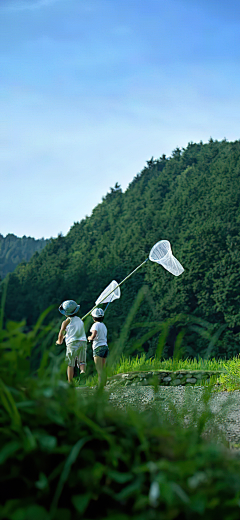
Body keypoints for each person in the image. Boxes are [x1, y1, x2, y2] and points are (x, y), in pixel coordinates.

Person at [56, 300, 87, 383]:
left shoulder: (65, 322)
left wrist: (59, 341)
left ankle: (70, 381)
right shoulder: (80, 320)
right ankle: (82, 371)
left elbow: (61, 333)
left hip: (72, 343)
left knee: (70, 363)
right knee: (82, 360)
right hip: (82, 341)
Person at [88, 308, 108, 386]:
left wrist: (89, 338)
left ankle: (100, 386)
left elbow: (94, 334)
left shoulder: (95, 325)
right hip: (105, 347)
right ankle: (104, 384)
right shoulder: (103, 325)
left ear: (93, 317)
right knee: (103, 368)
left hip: (98, 348)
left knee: (99, 369)